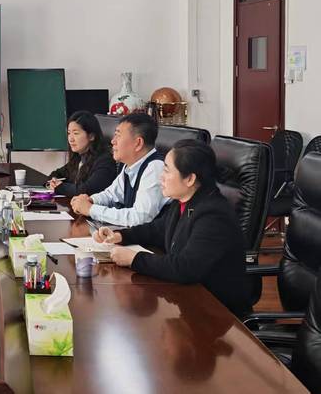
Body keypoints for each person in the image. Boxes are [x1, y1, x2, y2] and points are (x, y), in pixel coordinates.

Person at [94, 139, 250, 317]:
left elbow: (185, 267)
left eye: (167, 170)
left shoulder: (213, 215)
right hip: (188, 299)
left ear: (190, 179)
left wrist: (134, 259)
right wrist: (120, 235)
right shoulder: (184, 201)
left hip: (217, 313)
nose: (161, 177)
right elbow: (158, 230)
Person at [70, 113, 166, 227]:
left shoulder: (155, 168)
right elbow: (111, 194)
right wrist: (90, 200)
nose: (113, 141)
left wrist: (91, 209)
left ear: (138, 143)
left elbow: (140, 218)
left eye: (118, 135)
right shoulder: (130, 165)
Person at [46, 110, 116, 196]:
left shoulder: (105, 161)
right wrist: (53, 182)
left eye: (76, 133)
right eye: (69, 133)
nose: (71, 139)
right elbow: (56, 174)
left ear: (91, 136)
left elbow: (86, 190)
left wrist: (60, 187)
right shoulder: (79, 157)